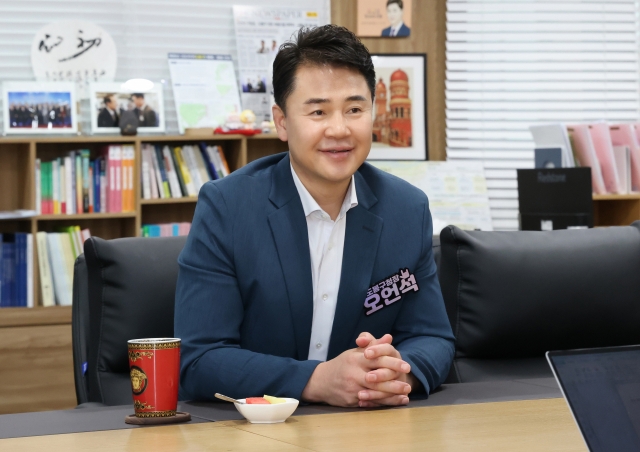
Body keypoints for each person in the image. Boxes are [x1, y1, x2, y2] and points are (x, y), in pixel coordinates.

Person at [174, 24, 454, 408]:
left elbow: (433, 338)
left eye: (355, 109)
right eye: (318, 111)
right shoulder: (228, 207)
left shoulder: (407, 210)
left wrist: (396, 372)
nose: (339, 129)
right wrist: (315, 380)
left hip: (368, 430)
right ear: (282, 122)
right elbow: (199, 358)